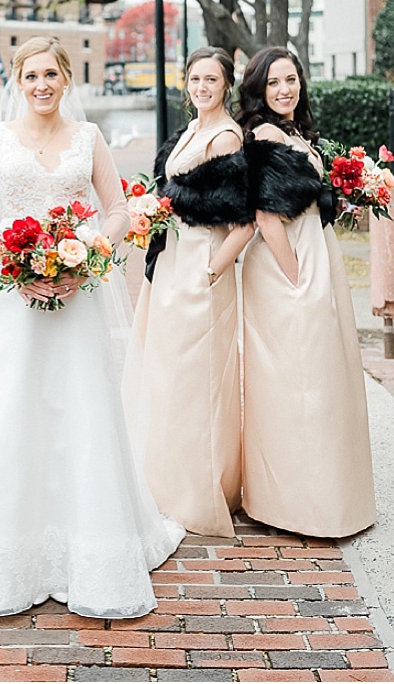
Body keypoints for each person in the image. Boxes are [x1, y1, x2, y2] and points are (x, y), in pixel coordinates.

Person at [0, 37, 184, 619]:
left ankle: (91, 543)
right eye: (31, 75)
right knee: (10, 408)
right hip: (13, 299)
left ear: (67, 78)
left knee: (81, 406)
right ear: (17, 81)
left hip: (77, 295)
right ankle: (2, 549)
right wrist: (9, 263)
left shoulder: (89, 140)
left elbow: (118, 211)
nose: (41, 85)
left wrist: (87, 256)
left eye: (51, 74)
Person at [237, 47, 376, 538]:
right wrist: (295, 275)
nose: (284, 90)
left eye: (290, 80)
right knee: (299, 382)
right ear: (259, 90)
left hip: (313, 252)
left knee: (318, 379)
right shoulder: (265, 136)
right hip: (286, 264)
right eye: (273, 83)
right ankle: (295, 503)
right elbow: (266, 215)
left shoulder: (294, 132)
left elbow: (302, 198)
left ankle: (325, 494)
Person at [133, 47, 253, 537]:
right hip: (173, 261)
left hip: (201, 265)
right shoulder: (192, 129)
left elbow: (243, 222)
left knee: (196, 379)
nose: (201, 87)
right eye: (194, 78)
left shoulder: (225, 136)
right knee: (168, 376)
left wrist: (209, 272)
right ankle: (166, 481)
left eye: (211, 79)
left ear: (226, 85)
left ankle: (200, 490)